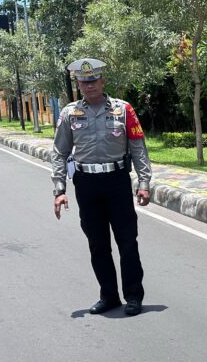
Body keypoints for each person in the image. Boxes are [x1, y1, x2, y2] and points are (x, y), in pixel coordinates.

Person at [51, 58, 153, 317]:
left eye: (93, 80)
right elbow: (59, 152)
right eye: (84, 82)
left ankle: (133, 296)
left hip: (117, 181)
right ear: (78, 83)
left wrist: (144, 182)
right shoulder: (69, 113)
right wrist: (60, 189)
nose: (89, 86)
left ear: (102, 80)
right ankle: (108, 296)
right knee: (98, 244)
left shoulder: (123, 110)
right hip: (86, 184)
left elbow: (138, 146)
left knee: (127, 242)